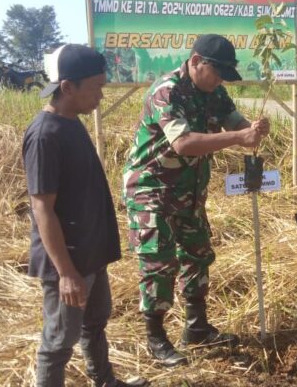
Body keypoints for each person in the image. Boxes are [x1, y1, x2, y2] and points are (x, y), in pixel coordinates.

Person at [122, 34, 270, 367]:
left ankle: (197, 327)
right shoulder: (167, 91)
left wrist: (253, 129)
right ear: (195, 61)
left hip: (188, 190)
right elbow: (184, 143)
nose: (219, 80)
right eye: (216, 72)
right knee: (158, 263)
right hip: (151, 188)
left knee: (198, 253)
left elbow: (234, 120)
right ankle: (157, 340)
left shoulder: (214, 91)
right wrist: (236, 138)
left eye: (223, 75)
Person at [22, 44, 148, 387]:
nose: (101, 96)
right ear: (67, 87)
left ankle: (105, 381)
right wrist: (65, 273)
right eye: (96, 87)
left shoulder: (71, 122)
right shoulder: (45, 135)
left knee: (94, 324)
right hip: (69, 261)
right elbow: (42, 208)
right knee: (58, 342)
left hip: (89, 254)